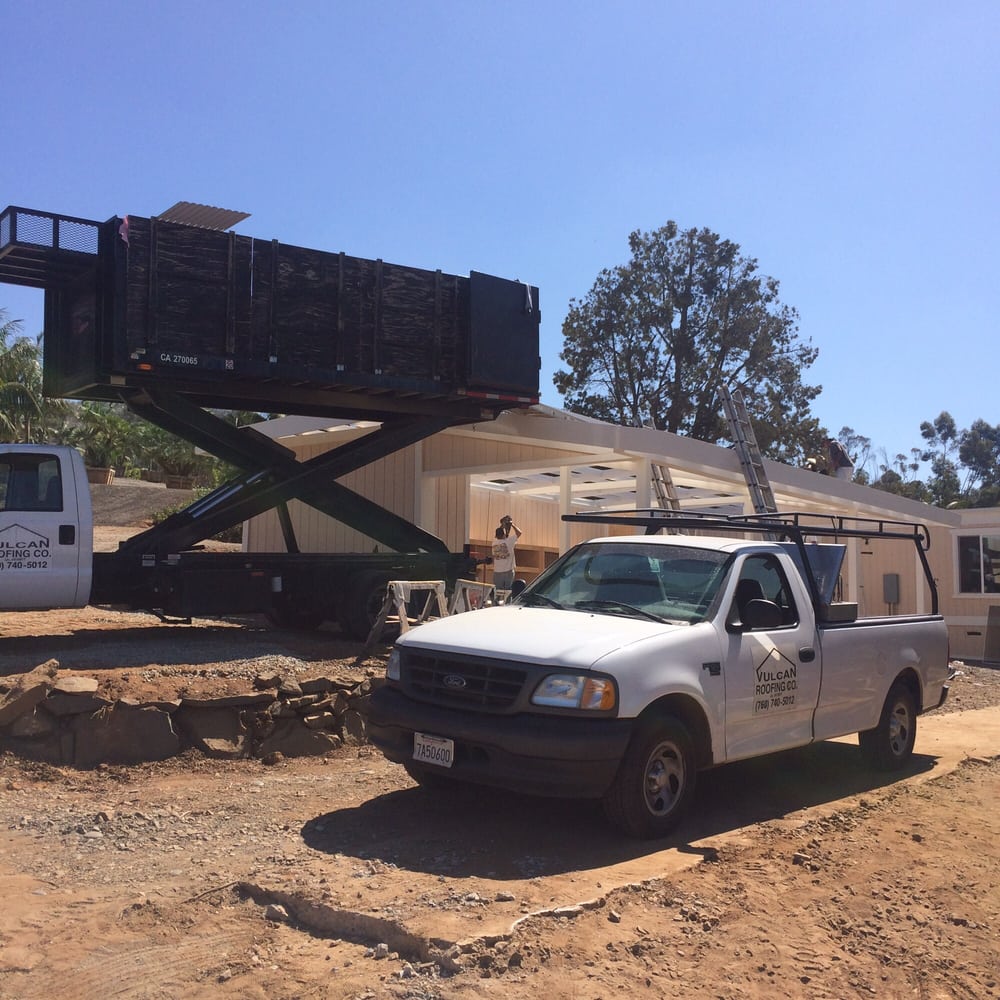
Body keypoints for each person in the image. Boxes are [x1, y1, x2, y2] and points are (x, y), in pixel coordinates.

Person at [491, 515, 522, 593]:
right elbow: (519, 533)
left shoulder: (494, 543)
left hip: (497, 571)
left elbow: (500, 532)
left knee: (497, 592)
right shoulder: (509, 541)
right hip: (508, 571)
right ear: (504, 534)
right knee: (508, 592)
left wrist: (502, 525)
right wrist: (512, 525)